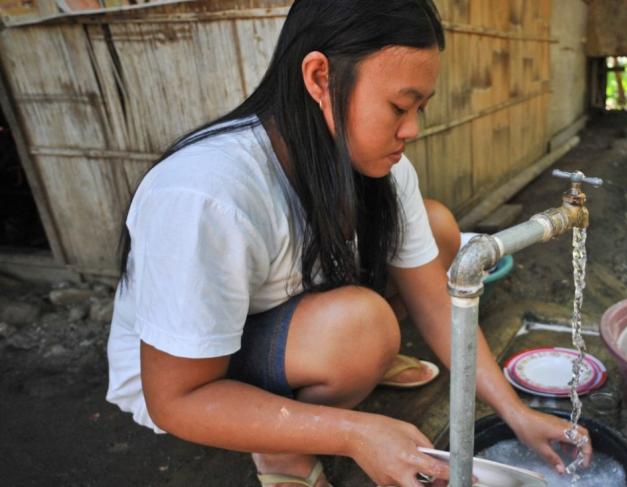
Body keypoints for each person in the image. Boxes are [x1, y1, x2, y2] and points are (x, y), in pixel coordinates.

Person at [105, 1, 591, 486]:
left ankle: (344, 366)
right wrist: (355, 433)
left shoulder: (384, 168)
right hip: (188, 375)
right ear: (320, 78)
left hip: (284, 316)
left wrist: (513, 412)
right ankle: (279, 450)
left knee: (438, 227)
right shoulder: (206, 195)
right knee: (364, 329)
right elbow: (175, 400)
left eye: (421, 108)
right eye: (400, 107)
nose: (412, 129)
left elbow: (439, 304)